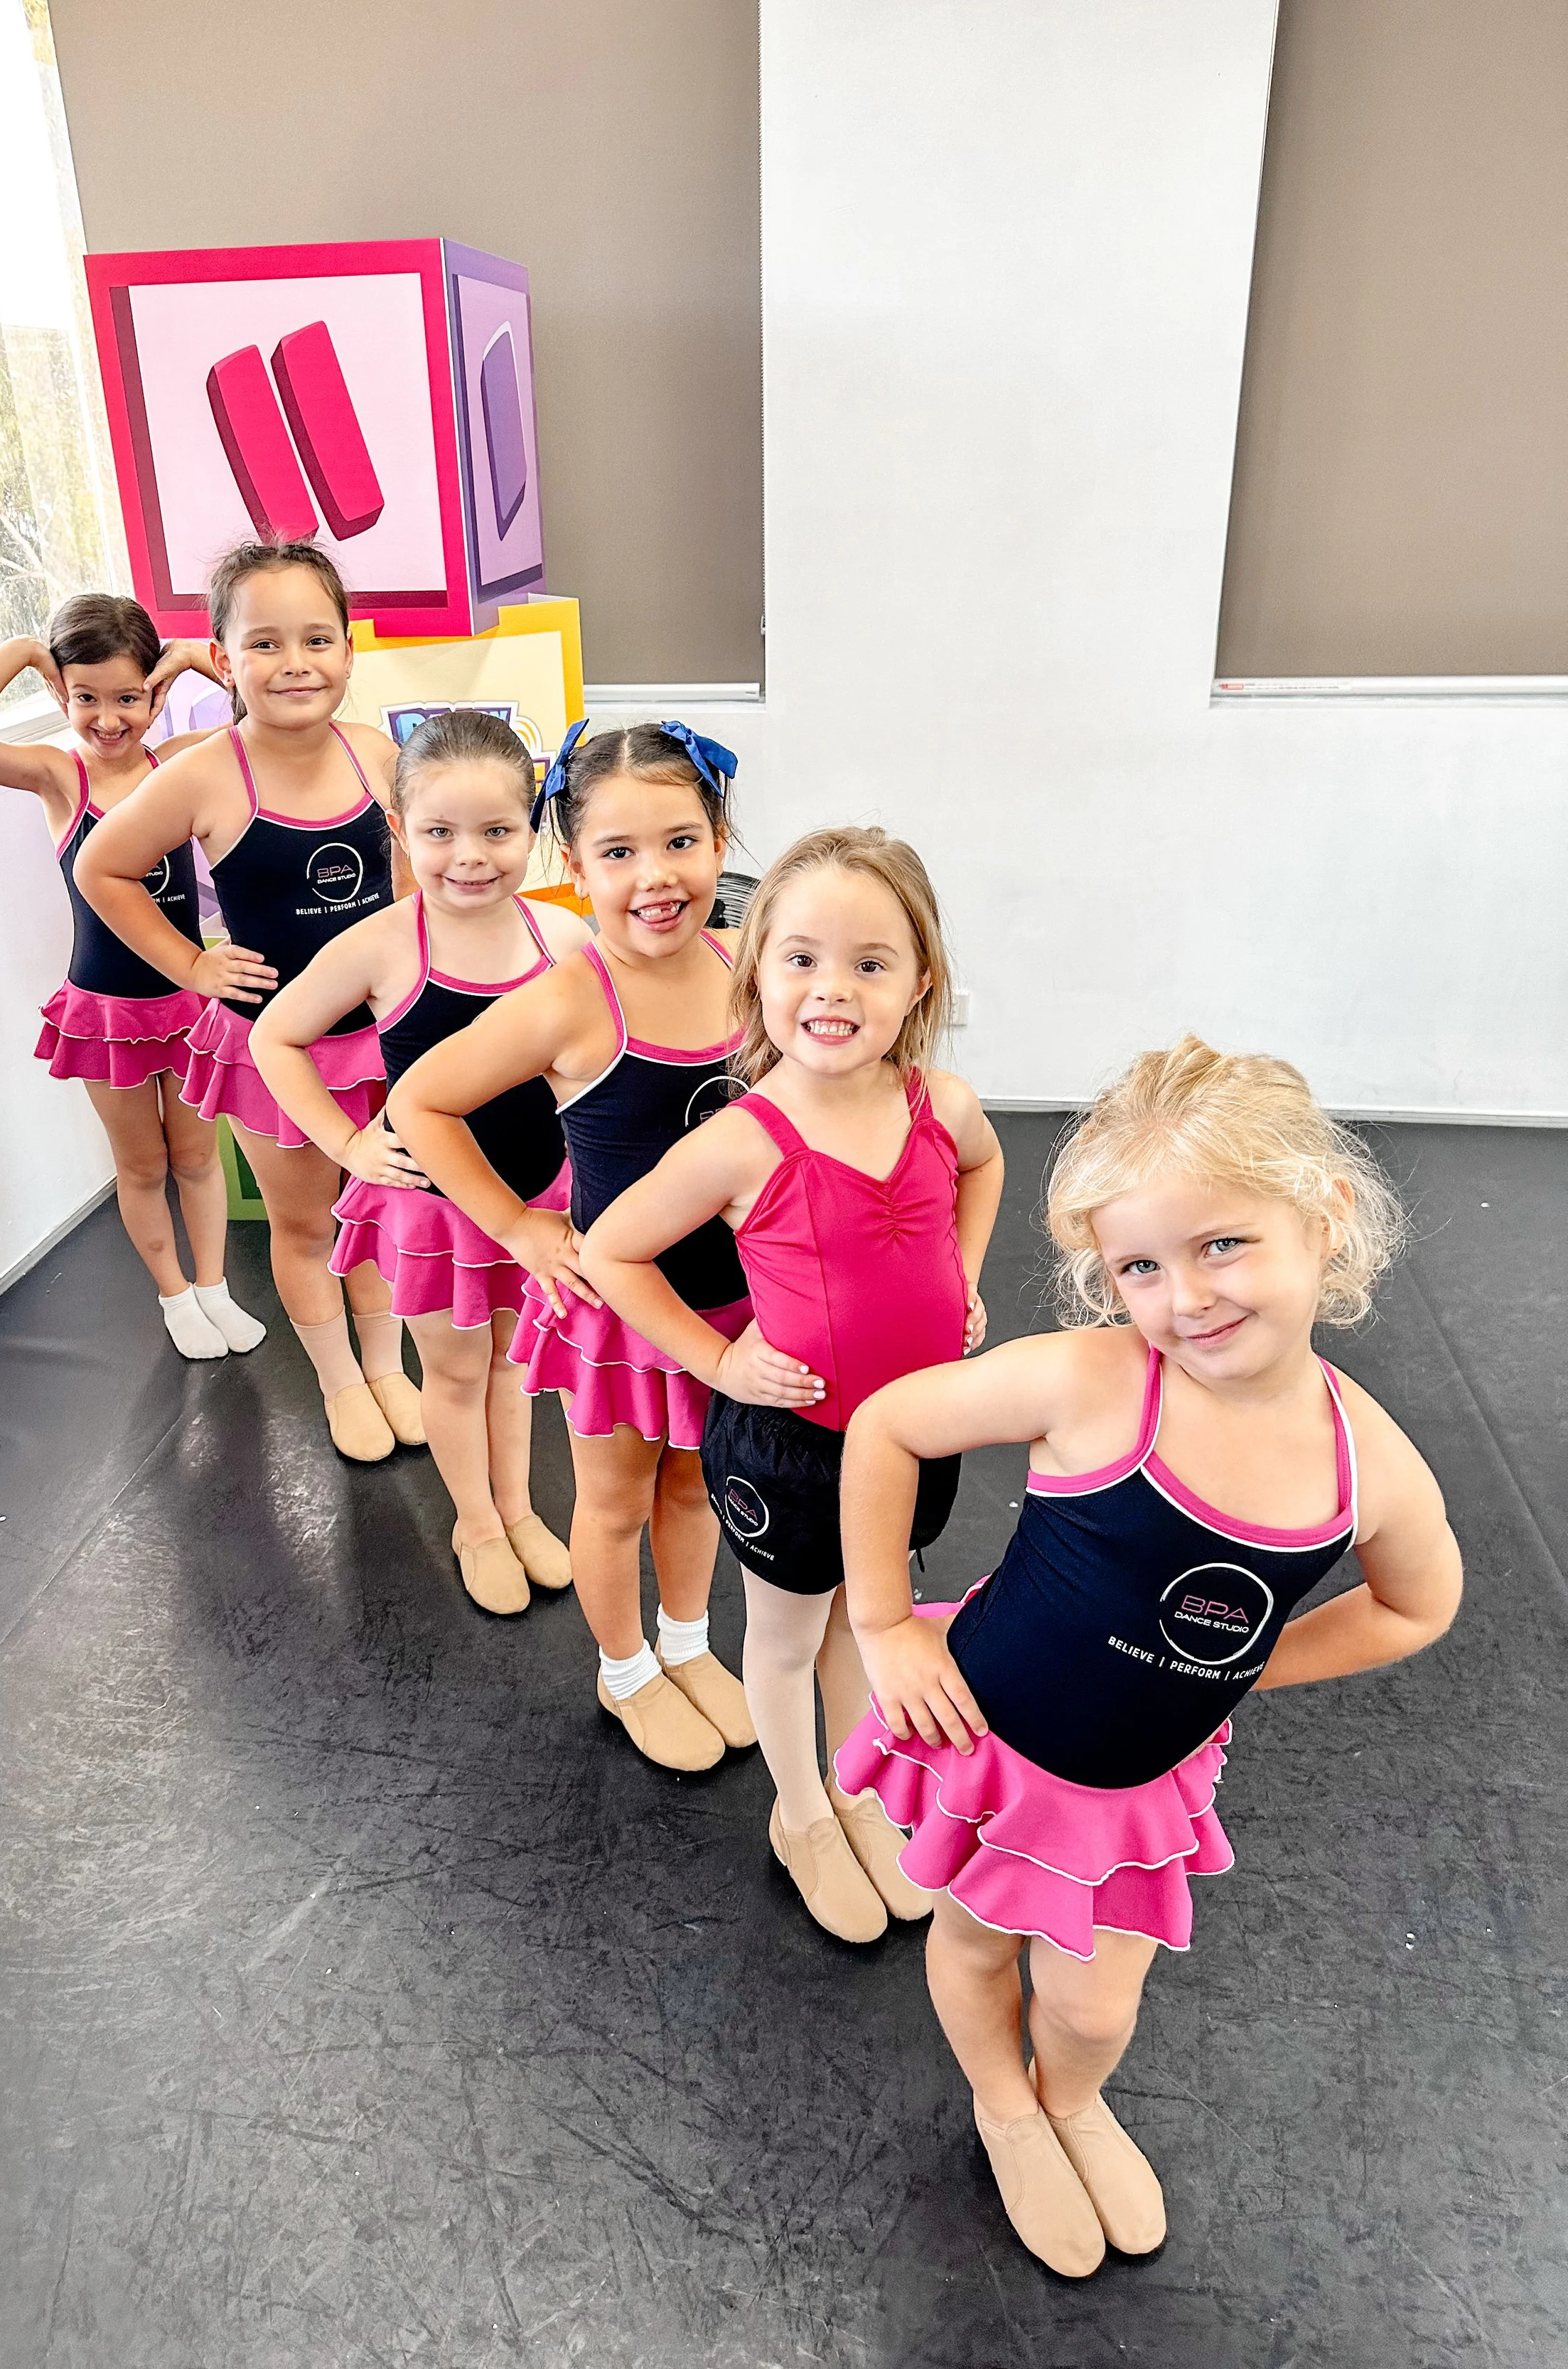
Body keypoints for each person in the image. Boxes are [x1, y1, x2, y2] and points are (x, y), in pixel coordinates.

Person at [834, 1037, 1461, 2277]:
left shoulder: (1367, 1461)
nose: (1189, 1295)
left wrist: (1243, 1672)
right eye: (1141, 1265)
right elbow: (893, 1423)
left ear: (1324, 1215)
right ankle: (1005, 2106)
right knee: (970, 1941)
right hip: (992, 1738)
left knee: (1093, 2001)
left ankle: (1067, 2092)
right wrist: (884, 1622)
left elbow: (1415, 1604)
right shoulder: (1096, 1380)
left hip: (1133, 1791)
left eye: (1222, 1242)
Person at [580, 827, 1004, 1939]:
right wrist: (718, 1359)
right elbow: (612, 1249)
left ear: (920, 982)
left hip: (913, 1438)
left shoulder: (940, 1106)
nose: (834, 989)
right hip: (794, 1445)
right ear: (756, 972)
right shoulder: (742, 1139)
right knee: (784, 1631)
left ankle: (858, 1791)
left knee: (867, 1625)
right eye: (803, 959)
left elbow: (988, 1164)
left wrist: (962, 1269)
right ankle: (802, 1808)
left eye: (871, 963)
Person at [390, 722, 756, 1771]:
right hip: (620, 1313)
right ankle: (626, 1668)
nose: (657, 878)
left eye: (682, 842)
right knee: (613, 1497)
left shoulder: (746, 967)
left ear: (721, 837)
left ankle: (686, 1643)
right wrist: (514, 1223)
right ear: (573, 861)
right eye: (620, 853)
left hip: (731, 1306)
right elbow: (421, 1101)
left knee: (695, 1485)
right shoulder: (569, 997)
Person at [75, 539, 422, 1460]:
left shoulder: (379, 754)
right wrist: (191, 964)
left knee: (378, 1206)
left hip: (380, 1040)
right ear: (223, 662)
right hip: (279, 1050)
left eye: (317, 639)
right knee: (308, 1223)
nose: (296, 662)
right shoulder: (203, 774)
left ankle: (387, 1366)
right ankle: (340, 1381)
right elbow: (101, 865)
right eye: (265, 644)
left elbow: (412, 889)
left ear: (351, 650)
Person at [251, 708, 591, 1614]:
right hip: (435, 1211)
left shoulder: (561, 943)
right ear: (399, 833)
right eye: (440, 833)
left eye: (497, 831)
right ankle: (473, 1521)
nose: (469, 856)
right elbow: (276, 1038)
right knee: (455, 1370)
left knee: (516, 1367)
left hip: (540, 1201)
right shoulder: (382, 945)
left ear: (536, 832)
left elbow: (590, 1072)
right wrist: (347, 1143)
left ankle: (517, 1508)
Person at [0, 598, 264, 1362]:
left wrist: (179, 663)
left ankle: (213, 1286)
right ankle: (175, 1296)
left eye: (127, 698)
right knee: (142, 1166)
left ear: (151, 694)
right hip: (105, 1011)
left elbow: (256, 723)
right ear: (63, 695)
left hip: (187, 998)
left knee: (198, 1157)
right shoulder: (58, 775)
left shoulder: (177, 761)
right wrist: (20, 649)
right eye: (87, 698)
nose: (109, 719)